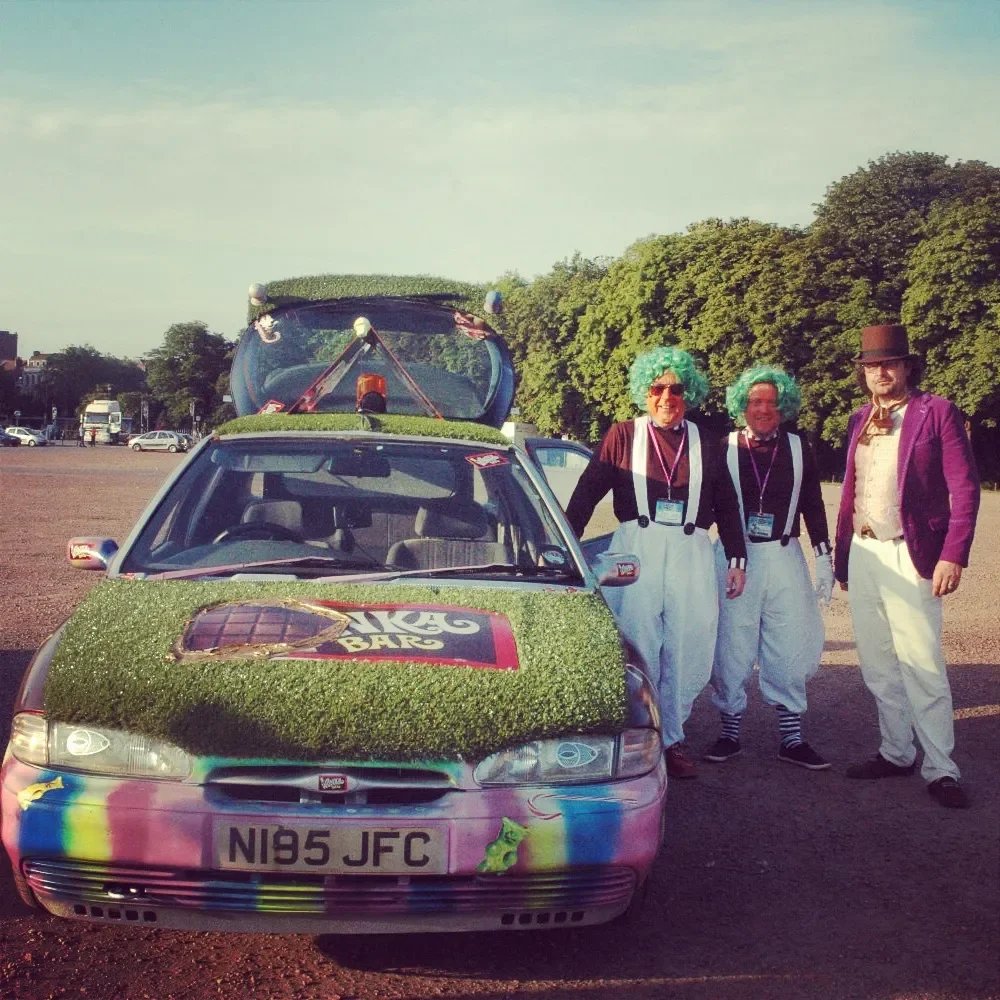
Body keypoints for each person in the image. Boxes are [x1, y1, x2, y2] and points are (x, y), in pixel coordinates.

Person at [566, 346, 747, 780]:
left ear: (689, 393)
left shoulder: (707, 441)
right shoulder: (623, 435)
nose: (667, 397)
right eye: (657, 388)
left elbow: (727, 504)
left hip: (690, 551)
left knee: (689, 646)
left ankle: (673, 737)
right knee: (639, 642)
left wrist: (737, 559)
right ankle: (637, 736)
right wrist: (564, 548)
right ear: (644, 393)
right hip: (638, 549)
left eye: (676, 389)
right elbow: (586, 494)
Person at [834, 324, 980, 809]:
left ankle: (941, 768)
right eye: (872, 365)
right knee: (877, 664)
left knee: (922, 663)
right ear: (863, 372)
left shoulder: (936, 412)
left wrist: (952, 553)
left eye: (889, 363)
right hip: (864, 550)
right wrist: (842, 557)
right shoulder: (859, 419)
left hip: (910, 551)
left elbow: (964, 487)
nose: (880, 372)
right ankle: (896, 751)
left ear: (906, 367)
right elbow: (851, 492)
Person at [706, 365, 833, 770]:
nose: (763, 409)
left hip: (783, 554)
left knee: (790, 642)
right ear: (742, 405)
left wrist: (824, 554)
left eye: (772, 403)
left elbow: (812, 502)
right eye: (755, 402)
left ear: (783, 407)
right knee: (731, 642)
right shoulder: (723, 447)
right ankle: (729, 732)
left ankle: (791, 738)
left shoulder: (798, 447)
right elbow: (711, 505)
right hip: (735, 555)